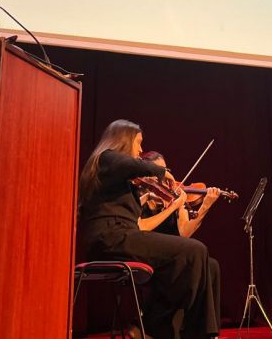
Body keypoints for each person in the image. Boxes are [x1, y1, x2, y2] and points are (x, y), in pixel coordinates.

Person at [78, 120, 220, 339]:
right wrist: (162, 172)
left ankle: (163, 329)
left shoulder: (118, 176)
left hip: (121, 235)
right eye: (138, 143)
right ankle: (180, 331)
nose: (140, 150)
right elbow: (137, 166)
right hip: (111, 238)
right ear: (124, 141)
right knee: (194, 251)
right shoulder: (105, 158)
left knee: (203, 262)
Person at [138, 150, 222, 334]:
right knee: (196, 267)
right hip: (152, 256)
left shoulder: (173, 195)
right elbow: (140, 229)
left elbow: (184, 233)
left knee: (212, 265)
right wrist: (171, 208)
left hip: (175, 255)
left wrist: (205, 206)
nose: (163, 176)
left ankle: (206, 332)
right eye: (158, 171)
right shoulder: (138, 196)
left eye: (166, 170)